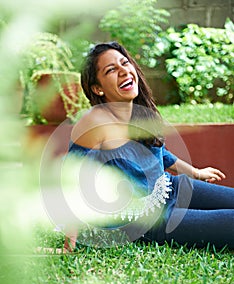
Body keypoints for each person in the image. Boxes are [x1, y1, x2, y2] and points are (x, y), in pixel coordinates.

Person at [64, 41, 234, 251]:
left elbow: (159, 154)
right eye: (111, 70)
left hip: (169, 187)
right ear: (97, 88)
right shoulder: (94, 123)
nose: (124, 71)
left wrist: (195, 173)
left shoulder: (138, 113)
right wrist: (69, 244)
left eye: (125, 63)